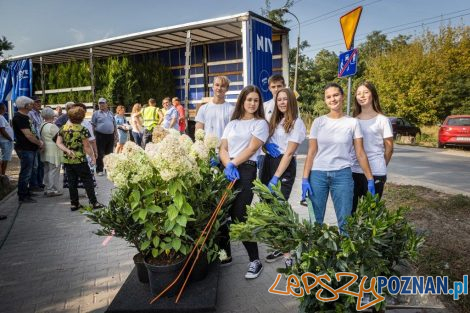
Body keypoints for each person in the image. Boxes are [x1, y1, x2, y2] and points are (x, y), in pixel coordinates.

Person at [301, 83, 375, 233]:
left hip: (342, 175)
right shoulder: (318, 122)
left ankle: (345, 255)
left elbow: (360, 153)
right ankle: (316, 254)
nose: (332, 99)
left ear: (342, 97)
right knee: (315, 222)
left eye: (335, 95)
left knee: (345, 223)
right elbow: (311, 152)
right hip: (318, 175)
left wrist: (370, 179)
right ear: (325, 100)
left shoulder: (352, 123)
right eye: (328, 97)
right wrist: (304, 179)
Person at [219, 85, 269, 279]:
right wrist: (227, 165)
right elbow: (222, 147)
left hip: (246, 169)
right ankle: (225, 255)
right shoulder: (232, 124)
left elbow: (251, 148)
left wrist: (233, 163)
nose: (252, 103)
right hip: (228, 169)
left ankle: (255, 260)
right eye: (249, 100)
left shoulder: (260, 123)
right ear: (242, 101)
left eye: (256, 100)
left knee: (240, 215)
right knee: (222, 215)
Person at [260, 88, 306, 262]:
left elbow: (288, 153)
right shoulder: (273, 121)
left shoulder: (297, 123)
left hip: (283, 166)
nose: (282, 102)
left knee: (279, 209)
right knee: (270, 210)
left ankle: (288, 255)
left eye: (285, 99)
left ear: (291, 101)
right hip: (268, 163)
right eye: (279, 99)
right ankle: (280, 247)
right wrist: (265, 146)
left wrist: (276, 177)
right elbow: (264, 142)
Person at [351, 81, 394, 213]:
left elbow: (389, 148)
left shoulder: (383, 120)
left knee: (371, 214)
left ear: (373, 95)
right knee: (350, 212)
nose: (362, 96)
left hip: (375, 172)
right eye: (358, 93)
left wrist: (381, 165)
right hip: (354, 171)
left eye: (365, 92)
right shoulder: (352, 120)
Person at [56, 106, 103, 211]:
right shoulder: (83, 129)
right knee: (87, 180)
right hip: (80, 160)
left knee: (72, 182)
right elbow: (86, 146)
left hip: (68, 160)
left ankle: (74, 204)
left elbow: (58, 143)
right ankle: (94, 202)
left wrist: (67, 150)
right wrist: (93, 156)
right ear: (82, 117)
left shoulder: (63, 128)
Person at [12, 96, 44, 203]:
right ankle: (23, 196)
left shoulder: (25, 116)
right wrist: (39, 143)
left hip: (30, 148)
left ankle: (27, 192)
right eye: (30, 104)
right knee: (26, 173)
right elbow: (28, 135)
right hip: (25, 149)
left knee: (29, 172)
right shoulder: (19, 117)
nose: (32, 105)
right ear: (25, 106)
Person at [258, 74, 286, 174]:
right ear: (269, 88)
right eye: (273, 87)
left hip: (284, 154)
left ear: (284, 86)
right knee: (263, 188)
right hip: (265, 153)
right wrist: (265, 144)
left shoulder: (292, 107)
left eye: (279, 86)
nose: (276, 89)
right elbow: (258, 130)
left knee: (280, 188)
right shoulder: (264, 106)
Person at [39, 107, 63, 197]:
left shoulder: (42, 124)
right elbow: (60, 138)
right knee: (54, 170)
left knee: (47, 170)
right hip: (53, 150)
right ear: (52, 115)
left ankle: (47, 188)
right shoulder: (52, 126)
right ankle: (52, 189)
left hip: (45, 150)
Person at [91, 98, 116, 176]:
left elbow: (114, 125)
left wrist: (116, 135)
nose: (101, 104)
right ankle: (99, 170)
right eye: (99, 103)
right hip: (100, 135)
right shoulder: (96, 113)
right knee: (100, 153)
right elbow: (93, 125)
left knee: (110, 153)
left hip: (110, 135)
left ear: (106, 104)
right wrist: (92, 136)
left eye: (103, 103)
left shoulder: (111, 113)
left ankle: (109, 169)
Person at [29, 97, 44, 192]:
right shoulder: (30, 114)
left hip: (40, 142)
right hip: (35, 143)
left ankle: (39, 183)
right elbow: (32, 130)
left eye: (39, 102)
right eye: (36, 102)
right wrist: (38, 142)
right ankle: (34, 185)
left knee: (40, 165)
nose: (39, 103)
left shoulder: (39, 114)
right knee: (35, 166)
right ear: (31, 104)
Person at [0, 103, 14, 176]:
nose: (6, 109)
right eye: (5, 108)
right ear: (2, 108)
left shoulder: (2, 117)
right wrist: (10, 138)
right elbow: (2, 130)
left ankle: (2, 175)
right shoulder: (1, 117)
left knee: (4, 158)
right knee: (5, 159)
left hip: (4, 141)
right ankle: (2, 175)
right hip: (5, 141)